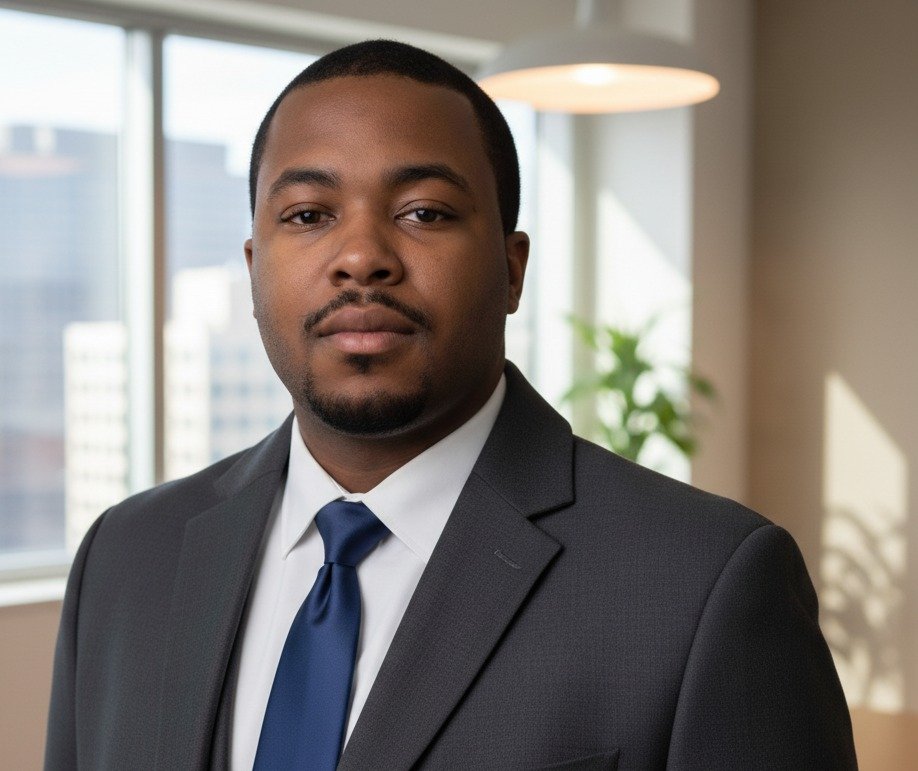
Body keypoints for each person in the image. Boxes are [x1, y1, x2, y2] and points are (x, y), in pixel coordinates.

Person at [45, 40, 857, 770]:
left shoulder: (704, 585)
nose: (361, 256)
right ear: (255, 266)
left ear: (512, 269)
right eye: (308, 215)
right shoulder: (126, 557)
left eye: (424, 212)